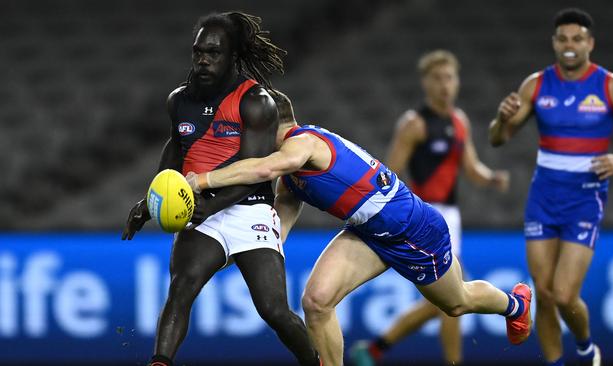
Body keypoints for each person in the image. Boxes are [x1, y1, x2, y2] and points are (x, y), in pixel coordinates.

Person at [186, 90, 532, 366]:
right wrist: (230, 250)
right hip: (369, 232)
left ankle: (515, 305)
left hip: (414, 231)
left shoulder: (302, 144)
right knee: (317, 302)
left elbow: (266, 168)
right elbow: (274, 229)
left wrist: (201, 180)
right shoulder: (290, 178)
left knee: (457, 303)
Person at [120, 12, 320, 366]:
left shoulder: (257, 101)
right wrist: (151, 201)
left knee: (273, 310)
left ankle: (315, 362)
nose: (203, 60)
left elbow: (257, 172)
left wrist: (210, 206)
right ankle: (159, 362)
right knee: (181, 289)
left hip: (250, 207)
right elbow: (176, 149)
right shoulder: (179, 99)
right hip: (200, 209)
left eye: (213, 53)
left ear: (232, 56)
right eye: (198, 52)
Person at [488, 8, 613, 366]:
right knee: (542, 295)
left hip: (585, 198)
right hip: (543, 197)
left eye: (577, 38)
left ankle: (586, 347)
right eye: (563, 39)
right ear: (554, 43)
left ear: (590, 43)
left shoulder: (611, 86)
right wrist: (500, 119)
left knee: (563, 294)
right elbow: (499, 139)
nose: (570, 45)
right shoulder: (536, 85)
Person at [350, 50, 509, 366]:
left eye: (449, 77)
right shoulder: (414, 124)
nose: (444, 85)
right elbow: (389, 173)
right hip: (425, 216)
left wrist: (491, 178)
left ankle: (374, 350)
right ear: (425, 83)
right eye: (437, 78)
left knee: (447, 299)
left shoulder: (460, 121)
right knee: (456, 296)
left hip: (452, 218)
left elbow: (471, 166)